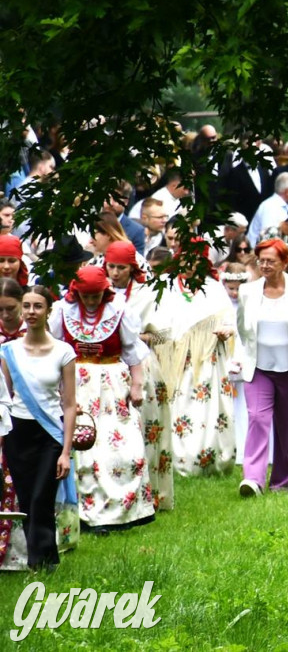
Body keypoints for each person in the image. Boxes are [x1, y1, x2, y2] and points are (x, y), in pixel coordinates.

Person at [49, 266, 154, 531]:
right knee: (82, 447)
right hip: (76, 384)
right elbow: (53, 350)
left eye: (96, 295)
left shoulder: (119, 310)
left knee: (121, 447)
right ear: (77, 293)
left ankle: (122, 510)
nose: (92, 301)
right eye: (87, 296)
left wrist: (137, 386)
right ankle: (83, 512)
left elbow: (133, 351)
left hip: (112, 387)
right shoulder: (63, 311)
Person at [235, 239, 288, 496]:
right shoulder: (247, 292)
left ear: (284, 263)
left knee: (286, 426)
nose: (265, 265)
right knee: (258, 418)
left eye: (271, 261)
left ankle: (282, 481)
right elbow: (243, 328)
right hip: (258, 367)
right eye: (261, 260)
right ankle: (253, 479)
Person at [0, 286, 77, 569]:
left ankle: (43, 562)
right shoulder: (8, 351)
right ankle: (40, 560)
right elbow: (4, 398)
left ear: (48, 311)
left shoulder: (63, 352)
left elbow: (69, 404)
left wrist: (66, 451)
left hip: (49, 434)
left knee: (41, 497)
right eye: (27, 306)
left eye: (38, 306)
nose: (31, 312)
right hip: (18, 433)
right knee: (26, 498)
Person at [155, 241, 236, 476]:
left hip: (207, 359)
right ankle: (176, 460)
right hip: (174, 359)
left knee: (206, 409)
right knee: (178, 406)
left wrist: (225, 331)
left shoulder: (213, 287)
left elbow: (228, 319)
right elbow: (157, 318)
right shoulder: (167, 286)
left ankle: (209, 459)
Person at [104, 242, 173, 510]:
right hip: (106, 364)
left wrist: (132, 337)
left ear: (132, 268)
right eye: (111, 266)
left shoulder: (148, 292)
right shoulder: (100, 290)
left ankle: (151, 492)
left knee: (147, 424)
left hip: (142, 361)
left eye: (121, 267)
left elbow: (164, 332)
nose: (116, 272)